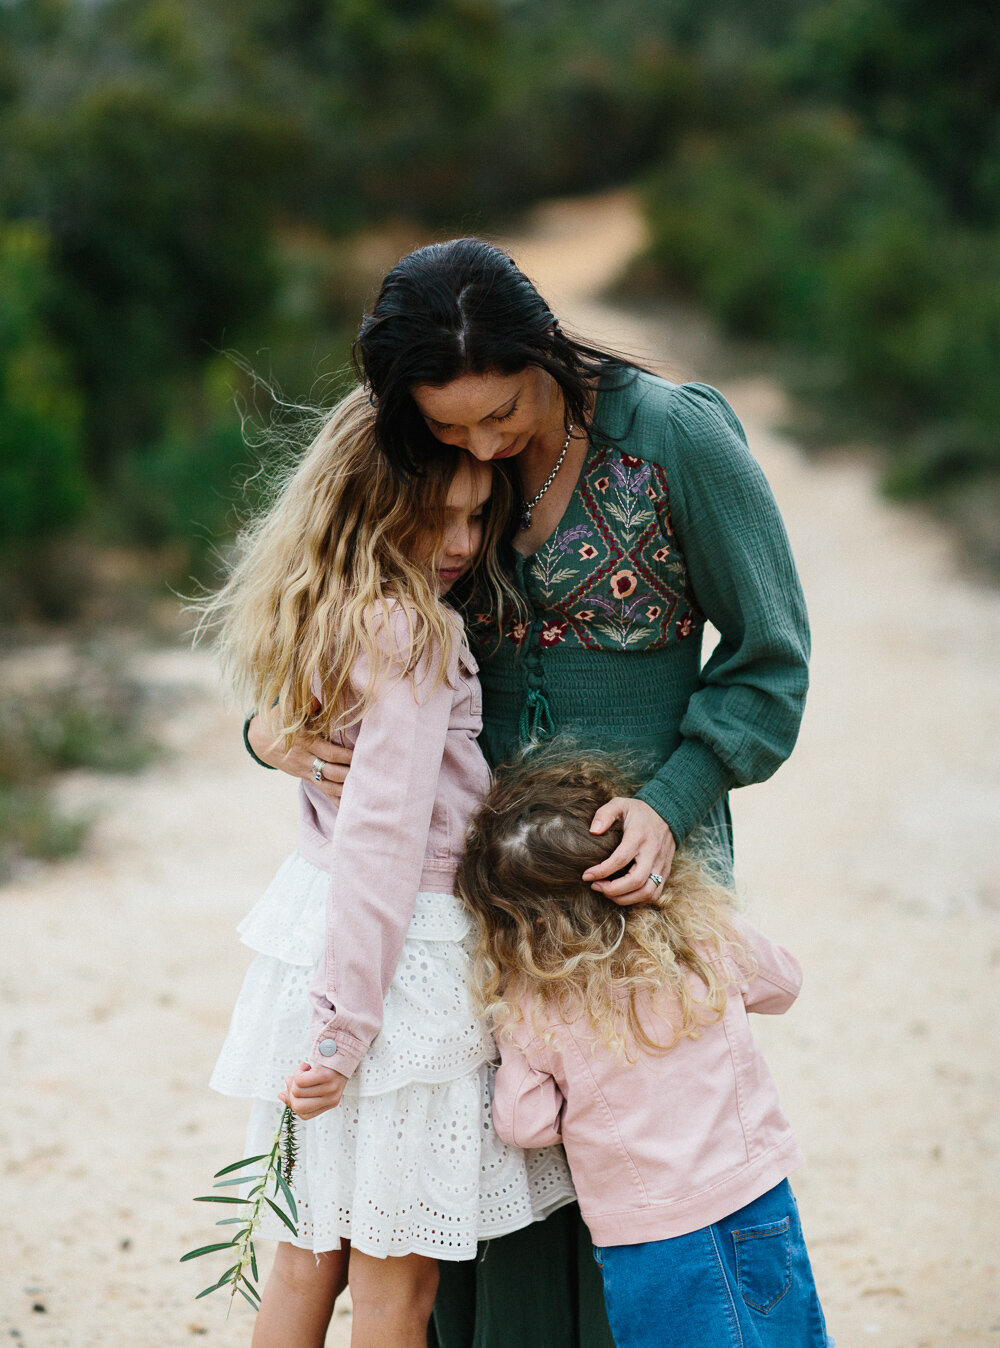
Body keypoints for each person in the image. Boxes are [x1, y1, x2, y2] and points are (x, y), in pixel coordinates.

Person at [244, 237, 811, 1348]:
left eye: (499, 411)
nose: (483, 445)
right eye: (450, 427)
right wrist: (267, 734)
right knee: (470, 1183)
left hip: (629, 880)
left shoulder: (675, 442)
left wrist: (674, 797)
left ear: (543, 349)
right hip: (460, 906)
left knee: (647, 1169)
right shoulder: (429, 461)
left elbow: (768, 657)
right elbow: (334, 603)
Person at [203, 387, 573, 1348]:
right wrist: (349, 1024)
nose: (460, 541)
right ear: (371, 508)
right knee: (396, 1298)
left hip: (319, 945)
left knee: (300, 1260)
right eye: (435, 515)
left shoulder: (327, 611)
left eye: (478, 513)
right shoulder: (414, 634)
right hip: (394, 976)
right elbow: (384, 841)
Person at [455, 745, 832, 1348]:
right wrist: (694, 909)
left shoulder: (534, 1006)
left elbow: (524, 1123)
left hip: (651, 1238)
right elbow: (783, 983)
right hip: (758, 1197)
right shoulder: (701, 938)